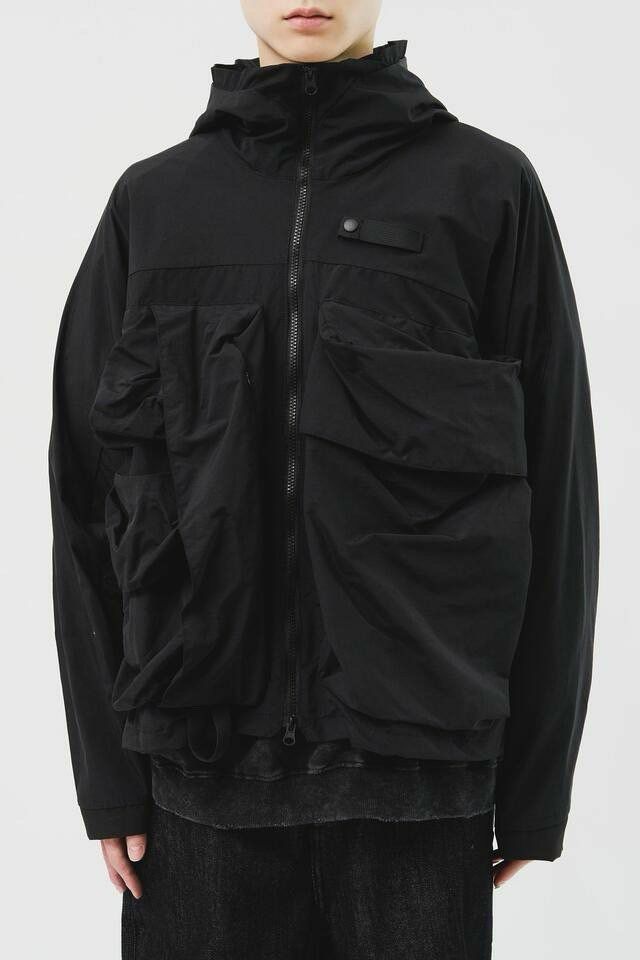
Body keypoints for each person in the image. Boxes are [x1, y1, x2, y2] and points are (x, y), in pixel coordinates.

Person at [48, 1, 599, 957]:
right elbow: (87, 498)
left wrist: (536, 785)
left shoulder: (487, 190)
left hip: (419, 788)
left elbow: (558, 494)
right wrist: (107, 775)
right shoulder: (155, 204)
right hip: (196, 787)